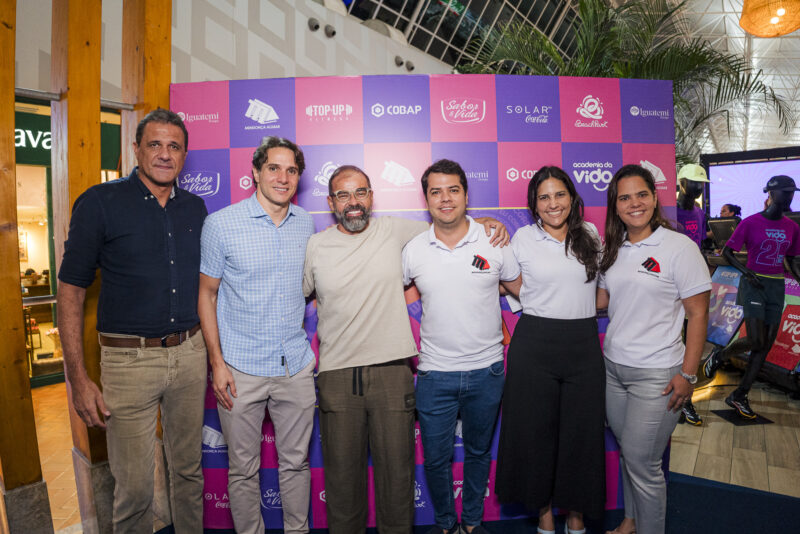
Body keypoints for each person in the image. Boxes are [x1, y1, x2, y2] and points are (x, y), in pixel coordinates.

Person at [302, 165, 508, 534]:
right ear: (331, 202)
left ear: (372, 197)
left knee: (397, 481)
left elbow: (451, 223)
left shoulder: (401, 232)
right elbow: (295, 295)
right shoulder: (315, 245)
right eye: (344, 195)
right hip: (336, 374)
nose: (353, 202)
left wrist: (489, 221)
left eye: (361, 193)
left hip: (392, 372)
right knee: (342, 480)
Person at [58, 108, 207, 532]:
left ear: (184, 154)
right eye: (155, 144)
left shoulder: (195, 209)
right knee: (136, 490)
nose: (164, 154)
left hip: (190, 354)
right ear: (136, 148)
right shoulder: (100, 202)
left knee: (188, 475)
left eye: (174, 146)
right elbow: (70, 290)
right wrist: (78, 377)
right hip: (128, 363)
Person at [197, 137, 316, 534]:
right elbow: (207, 294)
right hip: (240, 368)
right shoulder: (221, 224)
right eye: (273, 168)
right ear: (255, 173)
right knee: (243, 470)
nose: (282, 178)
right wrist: (217, 364)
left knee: (296, 464)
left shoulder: (307, 224)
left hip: (295, 367)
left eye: (291, 170)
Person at [402, 160, 521, 534]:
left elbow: (525, 293)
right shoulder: (414, 249)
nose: (445, 198)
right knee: (436, 460)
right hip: (434, 373)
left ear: (466, 195)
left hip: (487, 371)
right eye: (436, 191)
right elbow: (389, 292)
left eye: (453, 189)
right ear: (426, 199)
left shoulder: (495, 240)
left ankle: (471, 522)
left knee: (479, 454)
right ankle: (445, 524)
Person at [598, 164, 710, 534]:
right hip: (614, 371)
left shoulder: (679, 247)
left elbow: (698, 314)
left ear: (655, 197)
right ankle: (631, 520)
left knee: (643, 463)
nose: (634, 203)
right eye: (625, 197)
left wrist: (689, 374)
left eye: (641, 194)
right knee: (631, 456)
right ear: (615, 206)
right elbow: (602, 300)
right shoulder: (614, 249)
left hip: (658, 375)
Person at [495, 166, 605, 534]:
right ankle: (544, 518)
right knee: (534, 435)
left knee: (581, 436)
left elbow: (603, 290)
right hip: (535, 345)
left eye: (559, 194)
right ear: (533, 204)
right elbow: (506, 280)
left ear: (572, 198)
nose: (552, 203)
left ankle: (575, 518)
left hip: (583, 345)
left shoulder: (590, 234)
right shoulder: (522, 238)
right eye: (544, 197)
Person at [703, 175, 800, 419]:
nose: (789, 196)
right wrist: (748, 273)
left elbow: (793, 259)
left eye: (792, 192)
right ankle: (720, 355)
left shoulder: (793, 227)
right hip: (754, 284)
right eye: (785, 192)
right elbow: (728, 252)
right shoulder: (751, 222)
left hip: (776, 287)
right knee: (756, 340)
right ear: (770, 194)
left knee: (764, 345)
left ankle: (740, 395)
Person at [675, 163, 711, 426]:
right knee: (672, 340)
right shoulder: (668, 210)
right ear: (681, 183)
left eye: (701, 184)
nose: (698, 188)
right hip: (670, 285)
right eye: (694, 183)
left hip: (693, 284)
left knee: (690, 342)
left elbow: (697, 244)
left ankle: (685, 400)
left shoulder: (699, 212)